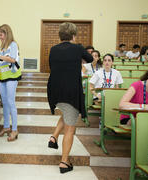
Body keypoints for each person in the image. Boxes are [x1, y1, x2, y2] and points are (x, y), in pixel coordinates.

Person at [47, 22, 93, 174]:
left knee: (66, 114)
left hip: (55, 91)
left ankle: (54, 137)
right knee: (70, 129)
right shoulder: (78, 48)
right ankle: (64, 162)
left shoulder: (53, 49)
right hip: (71, 92)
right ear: (73, 35)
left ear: (60, 35)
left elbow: (52, 66)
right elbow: (90, 59)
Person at [0, 24, 21, 141]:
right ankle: (7, 127)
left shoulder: (13, 44)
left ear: (7, 34)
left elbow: (12, 59)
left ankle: (15, 129)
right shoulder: (1, 47)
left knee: (11, 102)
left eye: (1, 35)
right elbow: (0, 63)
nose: (0, 37)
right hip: (2, 76)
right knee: (5, 103)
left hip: (12, 76)